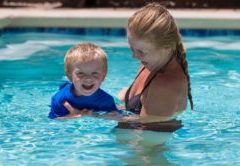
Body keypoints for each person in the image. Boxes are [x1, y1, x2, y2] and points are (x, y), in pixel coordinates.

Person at [63, 3, 193, 132]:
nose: (134, 56)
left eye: (141, 52)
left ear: (166, 48)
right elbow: (136, 104)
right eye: (132, 48)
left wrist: (90, 115)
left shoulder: (165, 86)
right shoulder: (152, 62)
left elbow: (147, 129)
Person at [48, 43, 119, 119]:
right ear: (70, 76)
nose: (88, 78)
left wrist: (95, 115)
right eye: (81, 73)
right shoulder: (60, 99)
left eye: (95, 73)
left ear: (103, 77)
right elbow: (53, 120)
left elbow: (117, 118)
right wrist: (71, 116)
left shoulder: (106, 101)